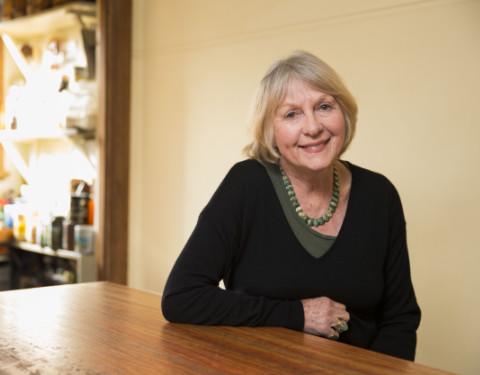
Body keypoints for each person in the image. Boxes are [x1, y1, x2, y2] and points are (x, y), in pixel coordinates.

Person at [161, 51, 421, 361]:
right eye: (291, 114)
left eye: (324, 107)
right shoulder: (246, 185)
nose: (313, 127)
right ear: (270, 129)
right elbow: (181, 297)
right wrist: (296, 315)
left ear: (344, 113)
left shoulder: (380, 195)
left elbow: (400, 320)